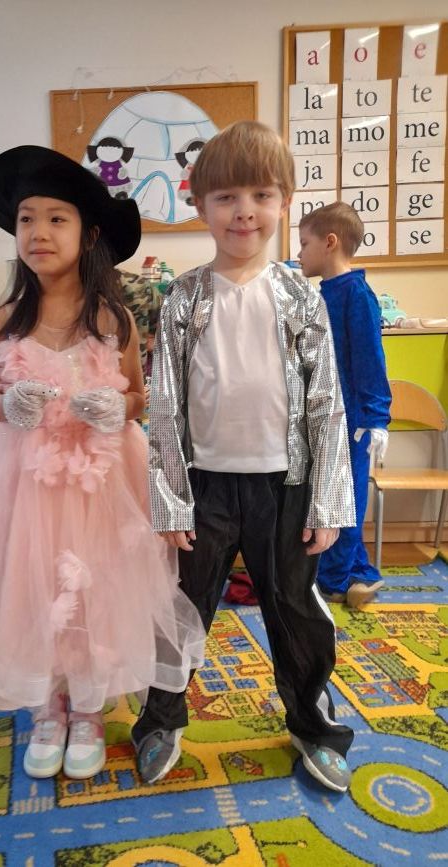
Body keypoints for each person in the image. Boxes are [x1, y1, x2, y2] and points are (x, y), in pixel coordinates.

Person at [0, 145, 204, 782]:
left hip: (101, 481)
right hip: (24, 480)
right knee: (30, 585)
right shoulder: (6, 320)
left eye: (55, 219)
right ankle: (48, 707)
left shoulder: (112, 318)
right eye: (26, 220)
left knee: (96, 588)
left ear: (88, 234)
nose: (38, 232)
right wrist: (8, 405)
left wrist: (115, 407)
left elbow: (137, 398)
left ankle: (88, 709)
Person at [132, 121, 357, 793]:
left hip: (284, 488)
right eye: (226, 196)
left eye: (261, 195)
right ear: (200, 205)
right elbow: (165, 405)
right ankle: (160, 719)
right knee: (181, 605)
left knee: (295, 608)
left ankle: (313, 724)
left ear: (284, 201)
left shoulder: (301, 297)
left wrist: (328, 502)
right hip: (203, 487)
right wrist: (169, 502)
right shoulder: (183, 298)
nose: (244, 212)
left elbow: (327, 403)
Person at [298, 202, 391, 607]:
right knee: (330, 492)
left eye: (305, 244)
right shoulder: (323, 294)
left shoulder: (356, 294)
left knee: (344, 498)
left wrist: (375, 418)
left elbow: (370, 359)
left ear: (330, 242)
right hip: (325, 414)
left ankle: (335, 581)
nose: (299, 253)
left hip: (352, 418)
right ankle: (359, 573)